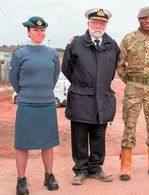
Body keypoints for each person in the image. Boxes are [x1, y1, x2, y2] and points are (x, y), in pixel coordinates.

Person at [62, 8, 120, 185]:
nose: (98, 26)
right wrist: (84, 84)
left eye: (102, 23)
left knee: (98, 135)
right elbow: (67, 69)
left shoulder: (112, 45)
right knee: (79, 135)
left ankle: (95, 168)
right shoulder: (76, 44)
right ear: (88, 23)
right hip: (81, 97)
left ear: (106, 25)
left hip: (102, 97)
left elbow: (111, 71)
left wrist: (99, 86)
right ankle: (80, 170)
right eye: (95, 22)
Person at [9, 16, 60, 195]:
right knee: (22, 144)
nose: (40, 33)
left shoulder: (52, 54)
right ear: (29, 32)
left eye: (42, 30)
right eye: (36, 30)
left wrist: (43, 92)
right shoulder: (19, 54)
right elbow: (14, 79)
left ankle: (49, 175)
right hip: (27, 104)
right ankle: (21, 180)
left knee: (48, 143)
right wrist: (25, 94)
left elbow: (54, 77)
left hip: (46, 103)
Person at [117, 6, 149, 181]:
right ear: (139, 20)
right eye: (144, 18)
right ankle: (125, 166)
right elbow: (120, 65)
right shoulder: (129, 39)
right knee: (129, 125)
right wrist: (131, 81)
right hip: (133, 89)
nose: (147, 21)